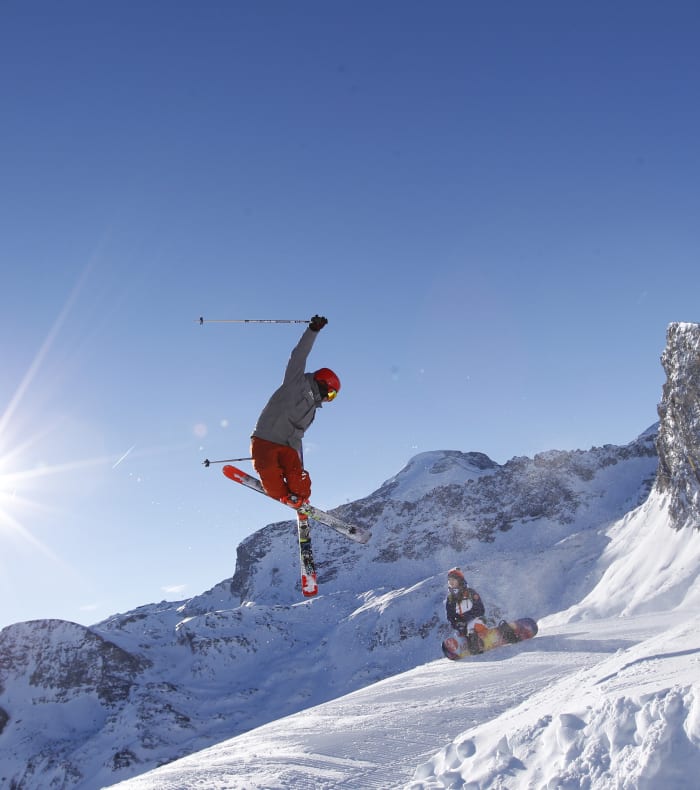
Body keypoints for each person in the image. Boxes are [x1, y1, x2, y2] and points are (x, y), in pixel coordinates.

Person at [250, 314, 340, 509]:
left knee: (298, 482)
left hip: (289, 447)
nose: (329, 400)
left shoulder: (313, 410)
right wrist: (312, 331)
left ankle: (300, 498)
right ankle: (283, 495)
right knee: (271, 479)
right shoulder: (295, 382)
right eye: (331, 394)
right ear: (324, 384)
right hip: (266, 438)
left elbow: (298, 435)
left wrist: (297, 465)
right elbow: (299, 354)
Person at [445, 567, 486, 652]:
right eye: (449, 580)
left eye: (453, 579)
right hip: (462, 628)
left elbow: (480, 609)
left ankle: (478, 645)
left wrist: (465, 618)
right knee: (458, 636)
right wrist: (457, 624)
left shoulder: (470, 593)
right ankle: (462, 648)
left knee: (471, 627)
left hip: (477, 622)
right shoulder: (450, 598)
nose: (451, 582)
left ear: (459, 580)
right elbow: (450, 616)